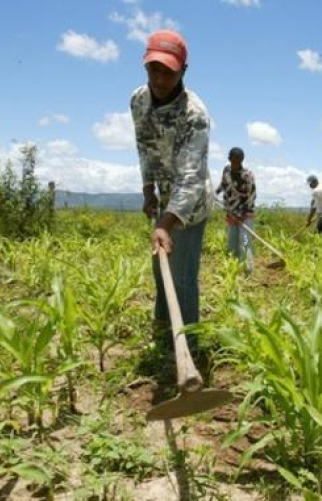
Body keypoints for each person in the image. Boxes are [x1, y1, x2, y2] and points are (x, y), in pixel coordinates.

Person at [130, 29, 212, 351]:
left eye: (169, 72)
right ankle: (164, 328)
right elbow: (144, 145)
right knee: (159, 266)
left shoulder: (195, 115)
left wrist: (166, 223)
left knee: (181, 277)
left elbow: (191, 179)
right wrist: (148, 189)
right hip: (164, 196)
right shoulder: (138, 100)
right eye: (154, 69)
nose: (160, 79)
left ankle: (187, 347)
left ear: (183, 71)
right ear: (145, 67)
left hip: (191, 205)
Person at [215, 147, 256, 273]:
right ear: (229, 159)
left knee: (244, 242)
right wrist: (214, 193)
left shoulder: (247, 175)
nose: (236, 162)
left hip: (245, 215)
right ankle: (233, 269)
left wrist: (243, 214)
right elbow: (223, 184)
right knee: (232, 242)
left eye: (238, 160)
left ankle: (247, 270)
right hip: (231, 213)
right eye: (233, 160)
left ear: (242, 160)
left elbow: (252, 195)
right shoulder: (226, 170)